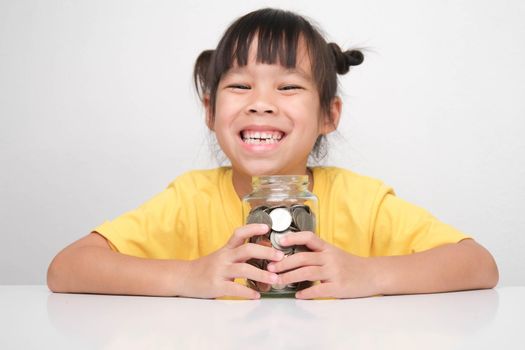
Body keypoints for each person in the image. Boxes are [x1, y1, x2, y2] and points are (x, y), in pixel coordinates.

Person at [47, 8, 498, 299]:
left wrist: (371, 276)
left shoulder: (363, 200)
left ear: (328, 115)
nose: (260, 102)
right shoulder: (189, 199)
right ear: (210, 110)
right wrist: (185, 277)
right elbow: (67, 269)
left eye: (288, 86)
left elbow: (479, 264)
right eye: (240, 85)